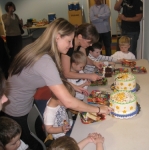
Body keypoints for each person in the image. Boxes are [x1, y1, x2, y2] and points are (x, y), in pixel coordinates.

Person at [1, 18, 112, 150]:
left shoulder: (42, 51)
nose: (71, 46)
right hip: (16, 109)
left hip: (23, 103)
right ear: (58, 37)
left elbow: (57, 78)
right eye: (69, 41)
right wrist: (99, 109)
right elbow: (69, 102)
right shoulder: (44, 60)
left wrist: (74, 86)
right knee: (31, 145)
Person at [61, 23, 103, 87]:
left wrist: (95, 63)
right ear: (80, 37)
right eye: (89, 42)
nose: (91, 45)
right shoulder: (68, 47)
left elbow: (84, 59)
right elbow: (66, 73)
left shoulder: (81, 44)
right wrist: (88, 76)